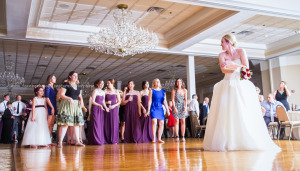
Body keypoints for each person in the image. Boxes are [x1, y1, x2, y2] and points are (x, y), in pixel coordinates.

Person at [203, 34, 280, 151]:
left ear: (229, 42)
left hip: (240, 83)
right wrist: (236, 66)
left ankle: (244, 139)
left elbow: (246, 68)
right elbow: (224, 70)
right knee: (226, 111)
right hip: (227, 83)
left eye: (222, 42)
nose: (221, 44)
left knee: (242, 110)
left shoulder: (241, 51)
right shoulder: (221, 55)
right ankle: (228, 140)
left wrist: (234, 65)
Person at [56, 71, 85, 147]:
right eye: (74, 75)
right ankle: (60, 142)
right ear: (70, 76)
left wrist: (81, 101)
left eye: (77, 76)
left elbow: (80, 96)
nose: (76, 77)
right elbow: (61, 95)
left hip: (76, 105)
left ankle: (77, 141)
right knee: (65, 124)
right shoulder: (66, 84)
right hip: (67, 104)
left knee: (76, 124)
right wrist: (69, 98)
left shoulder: (78, 85)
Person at [146, 78, 169, 143]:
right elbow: (149, 101)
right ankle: (154, 138)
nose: (157, 82)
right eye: (156, 82)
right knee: (154, 122)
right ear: (154, 83)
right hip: (153, 107)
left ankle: (159, 138)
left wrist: (168, 110)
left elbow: (165, 101)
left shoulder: (163, 91)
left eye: (158, 81)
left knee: (161, 123)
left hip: (160, 108)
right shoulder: (152, 91)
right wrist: (148, 110)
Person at [88, 79, 108, 145]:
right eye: (100, 83)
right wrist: (99, 105)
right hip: (95, 108)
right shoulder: (95, 91)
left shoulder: (103, 92)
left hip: (101, 109)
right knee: (95, 124)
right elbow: (92, 101)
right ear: (97, 84)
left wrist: (106, 107)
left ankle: (100, 139)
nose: (102, 85)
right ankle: (95, 140)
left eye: (103, 83)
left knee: (100, 124)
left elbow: (103, 102)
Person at [104, 79, 121, 144]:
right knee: (107, 122)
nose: (107, 84)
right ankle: (107, 139)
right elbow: (101, 101)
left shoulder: (116, 91)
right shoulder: (105, 91)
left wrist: (114, 106)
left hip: (114, 109)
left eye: (108, 83)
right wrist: (106, 102)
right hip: (107, 108)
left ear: (112, 83)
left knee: (114, 123)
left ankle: (114, 139)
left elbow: (119, 101)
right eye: (107, 83)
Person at [45, 75, 57, 139]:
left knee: (52, 124)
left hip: (54, 105)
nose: (55, 79)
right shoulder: (48, 87)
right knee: (48, 123)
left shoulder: (53, 87)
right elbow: (47, 98)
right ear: (50, 79)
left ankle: (48, 138)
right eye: (54, 78)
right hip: (50, 106)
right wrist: (52, 107)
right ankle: (45, 138)